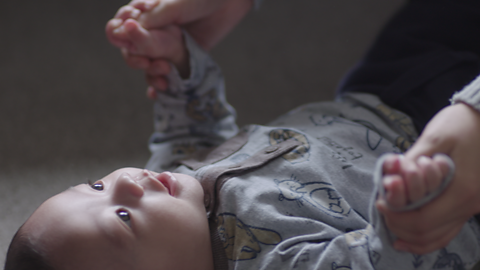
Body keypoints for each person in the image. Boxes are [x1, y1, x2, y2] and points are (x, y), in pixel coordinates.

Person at [5, 5, 480, 269]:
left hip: (378, 91)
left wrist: (180, 68)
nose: (126, 180)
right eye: (122, 216)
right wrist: (402, 223)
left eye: (94, 187)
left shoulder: (180, 188)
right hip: (449, 169)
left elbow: (197, 127)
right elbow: (376, 262)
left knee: (429, 18)